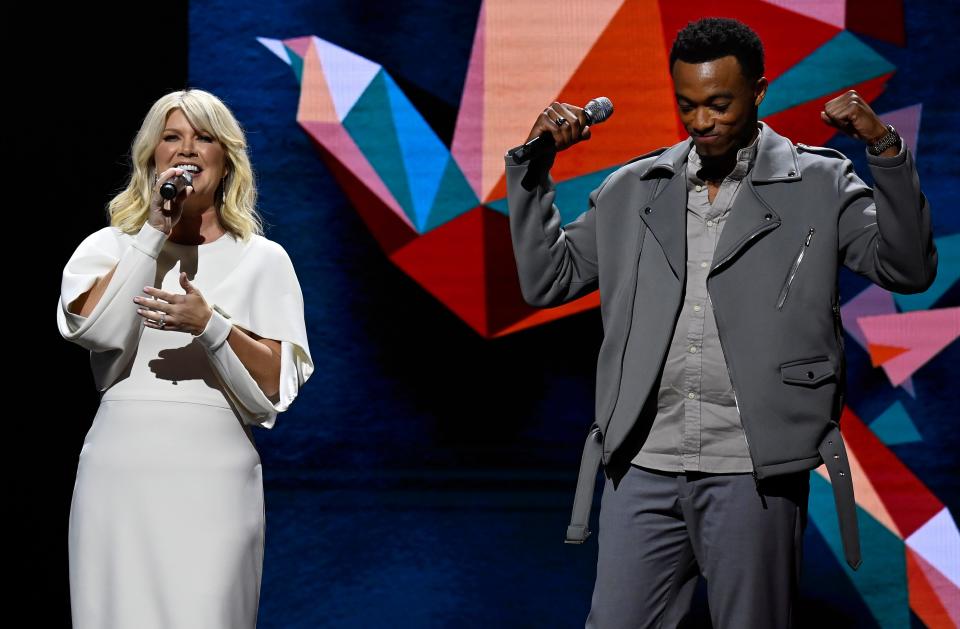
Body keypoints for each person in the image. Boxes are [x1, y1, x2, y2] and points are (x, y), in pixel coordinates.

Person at [506, 17, 936, 629]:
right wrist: (532, 170)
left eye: (719, 104)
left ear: (759, 92)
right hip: (644, 464)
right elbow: (548, 280)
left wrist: (884, 150)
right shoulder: (635, 187)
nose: (702, 121)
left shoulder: (817, 181)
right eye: (688, 105)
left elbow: (908, 267)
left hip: (753, 468)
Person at [57, 88, 314, 629]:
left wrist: (211, 326)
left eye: (204, 138)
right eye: (171, 137)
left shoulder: (263, 260)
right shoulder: (109, 246)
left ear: (226, 160)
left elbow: (272, 391)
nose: (186, 150)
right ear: (152, 157)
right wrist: (153, 231)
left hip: (213, 478)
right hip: (120, 475)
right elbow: (94, 329)